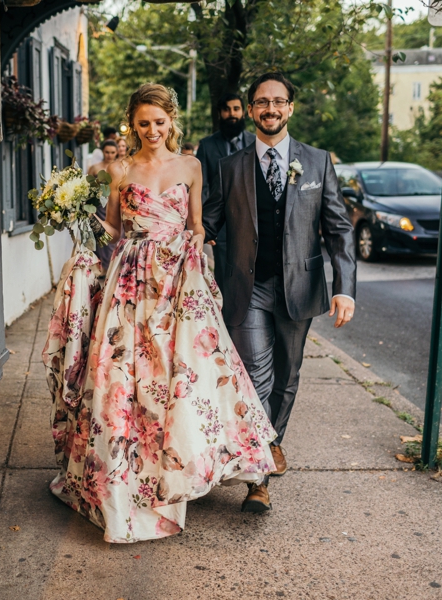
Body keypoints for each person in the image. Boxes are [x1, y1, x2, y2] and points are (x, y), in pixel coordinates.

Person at [43, 83, 278, 545]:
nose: (152, 130)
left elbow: (195, 224)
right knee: (122, 376)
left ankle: (181, 469)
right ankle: (123, 482)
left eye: (159, 122)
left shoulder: (190, 166)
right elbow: (112, 228)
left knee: (182, 373)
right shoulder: (120, 168)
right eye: (143, 123)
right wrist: (76, 212)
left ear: (172, 122)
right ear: (133, 124)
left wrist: (194, 248)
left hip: (178, 280)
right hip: (130, 280)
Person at [202, 72, 356, 487]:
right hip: (246, 288)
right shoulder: (228, 167)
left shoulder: (318, 161)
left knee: (287, 378)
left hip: (300, 288)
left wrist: (344, 287)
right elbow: (206, 225)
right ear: (251, 109)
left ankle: (269, 447)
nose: (270, 108)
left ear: (290, 108)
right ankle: (259, 476)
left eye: (278, 101)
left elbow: (339, 228)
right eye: (262, 101)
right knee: (255, 374)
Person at [196, 92, 256, 289]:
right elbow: (202, 185)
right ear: (220, 113)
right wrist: (208, 223)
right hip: (221, 224)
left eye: (236, 109)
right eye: (227, 109)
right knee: (223, 274)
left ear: (244, 112)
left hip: (253, 221)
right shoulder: (207, 145)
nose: (232, 113)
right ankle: (225, 316)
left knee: (253, 272)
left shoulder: (256, 143)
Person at [87, 140, 119, 270]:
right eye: (107, 152)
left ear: (116, 153)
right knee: (99, 234)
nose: (109, 155)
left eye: (112, 152)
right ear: (102, 152)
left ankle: (112, 267)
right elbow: (87, 187)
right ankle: (101, 267)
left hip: (115, 204)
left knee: (113, 236)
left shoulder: (119, 167)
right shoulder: (95, 168)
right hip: (99, 206)